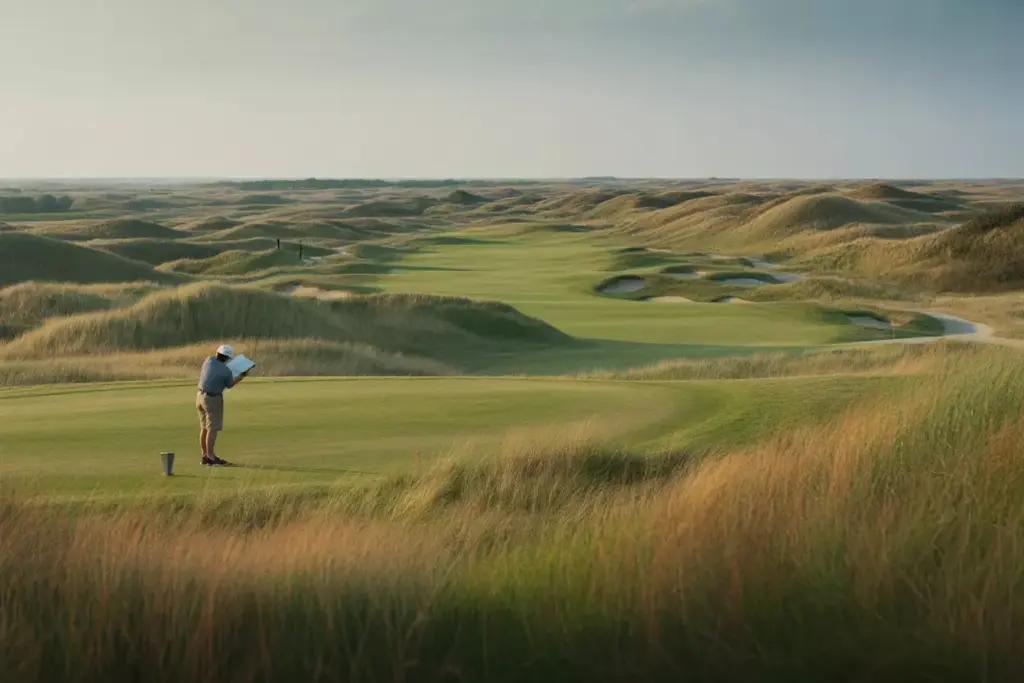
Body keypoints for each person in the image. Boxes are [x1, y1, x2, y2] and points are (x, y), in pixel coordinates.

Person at [196, 344, 248, 466]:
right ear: (227, 358)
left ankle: (204, 455)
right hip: (212, 399)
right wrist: (241, 376)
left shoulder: (208, 360)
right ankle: (211, 457)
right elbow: (229, 384)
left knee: (204, 428)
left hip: (199, 397)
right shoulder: (226, 371)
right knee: (212, 429)